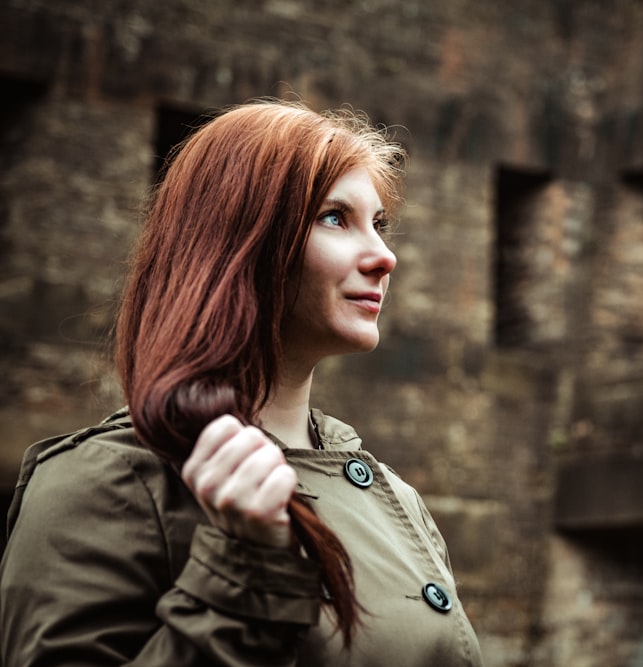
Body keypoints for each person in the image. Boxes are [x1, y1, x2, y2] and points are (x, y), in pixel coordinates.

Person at [0, 100, 484, 666]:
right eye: (335, 217)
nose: (384, 257)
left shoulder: (395, 498)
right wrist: (242, 565)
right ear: (238, 244)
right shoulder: (103, 485)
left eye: (378, 224)